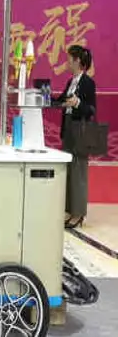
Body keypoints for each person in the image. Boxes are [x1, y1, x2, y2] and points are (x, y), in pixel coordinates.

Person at [55, 45, 96, 229]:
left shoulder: (88, 83)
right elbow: (61, 100)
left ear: (77, 61)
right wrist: (44, 96)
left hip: (81, 130)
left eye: (69, 59)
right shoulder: (70, 82)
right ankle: (70, 209)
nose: (67, 63)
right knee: (69, 170)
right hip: (69, 129)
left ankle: (78, 213)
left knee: (79, 172)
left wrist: (78, 103)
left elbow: (91, 109)